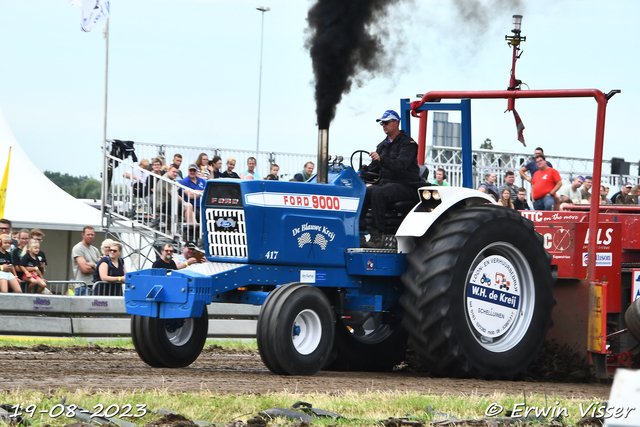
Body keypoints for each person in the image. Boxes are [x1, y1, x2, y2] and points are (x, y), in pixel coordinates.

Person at [359, 110, 420, 247]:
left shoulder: (408, 144)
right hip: (386, 184)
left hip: (406, 185)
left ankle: (377, 237)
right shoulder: (382, 146)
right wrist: (360, 175)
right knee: (365, 192)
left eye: (386, 123)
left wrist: (382, 159)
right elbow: (373, 169)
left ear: (396, 123)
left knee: (378, 193)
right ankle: (360, 233)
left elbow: (400, 166)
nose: (383, 126)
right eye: (382, 123)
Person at [71, 226, 102, 291]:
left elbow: (101, 268)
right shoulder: (78, 248)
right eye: (88, 234)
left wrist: (93, 265)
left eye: (92, 234)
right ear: (83, 235)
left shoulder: (95, 250)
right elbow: (85, 269)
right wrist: (96, 268)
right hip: (82, 285)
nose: (90, 236)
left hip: (95, 285)